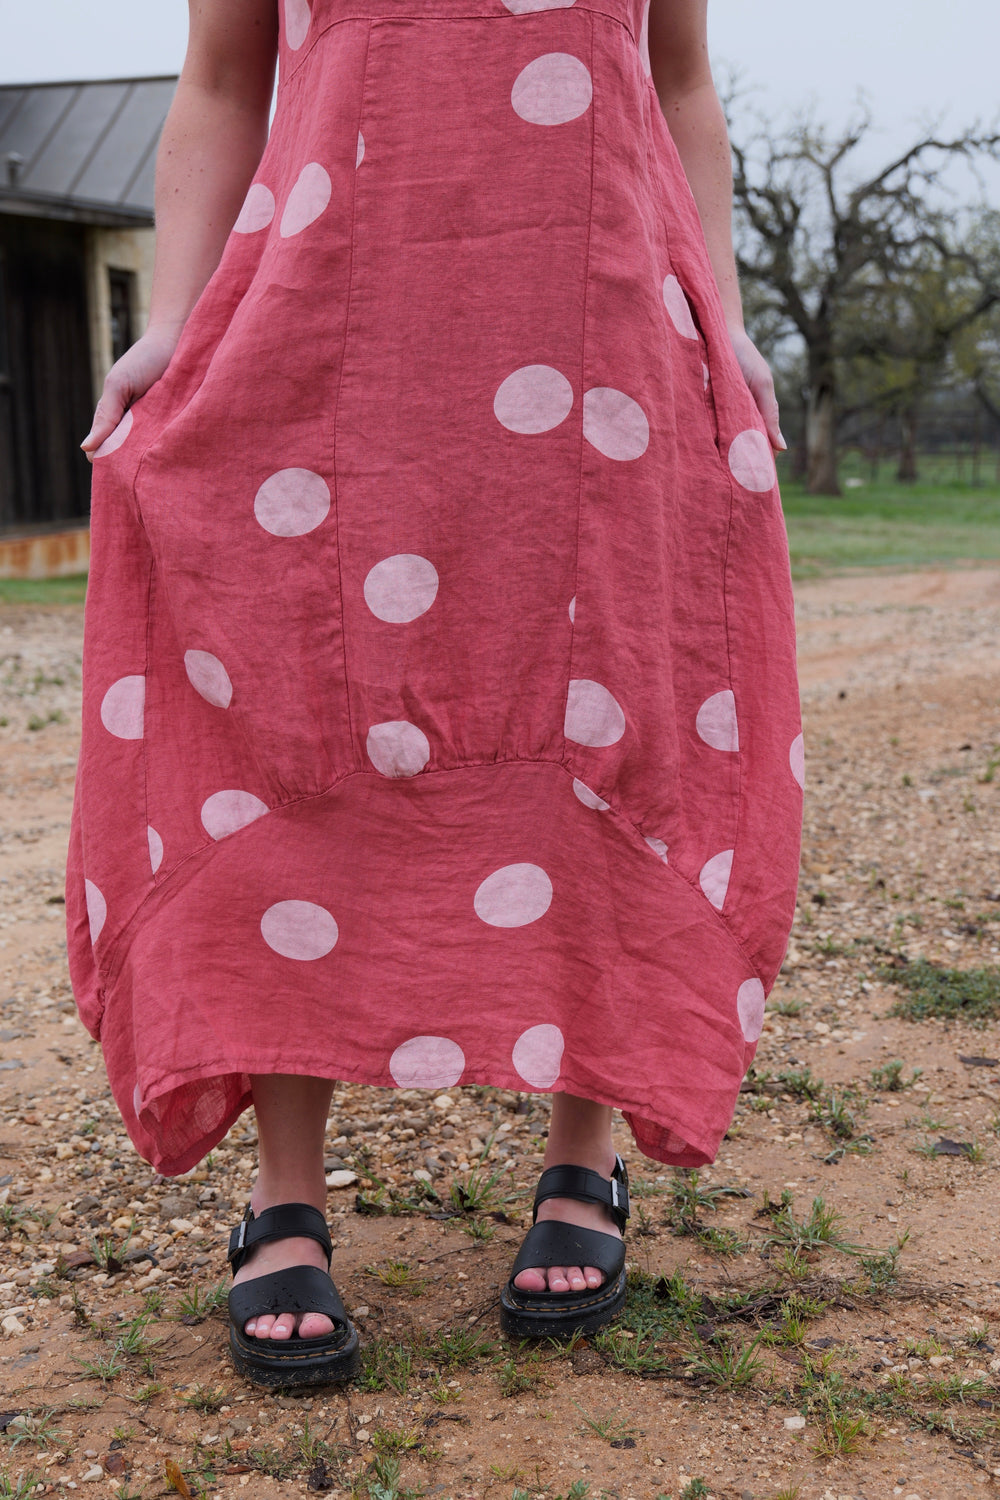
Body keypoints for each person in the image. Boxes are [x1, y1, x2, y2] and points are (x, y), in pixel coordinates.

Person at [71, 0, 802, 1387]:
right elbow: (223, 82)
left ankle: (581, 1160)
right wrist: (171, 322)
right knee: (290, 719)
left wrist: (725, 307)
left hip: (602, 347)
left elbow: (682, 86)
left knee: (605, 715)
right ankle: (286, 1196)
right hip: (328, 327)